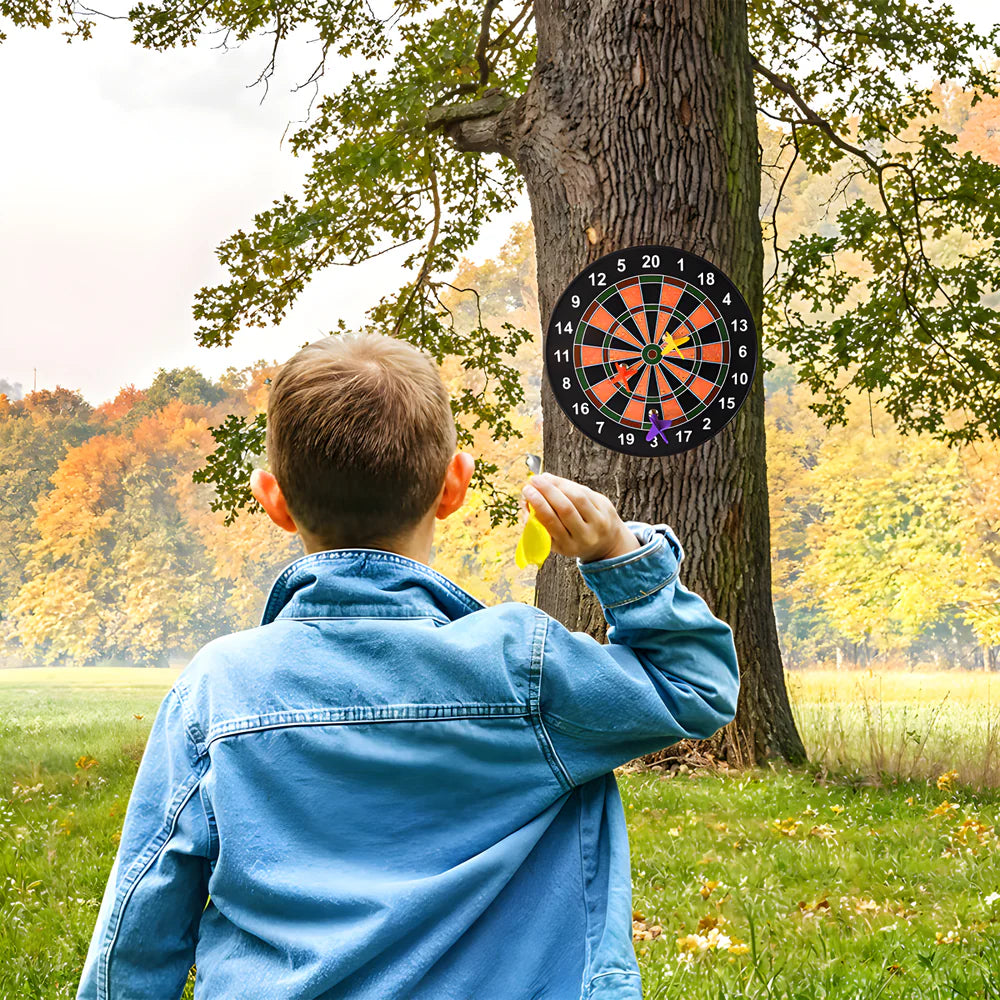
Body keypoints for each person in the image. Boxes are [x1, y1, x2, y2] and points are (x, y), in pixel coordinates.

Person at [76, 332, 739, 1000]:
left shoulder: (219, 688)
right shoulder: (524, 667)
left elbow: (142, 916)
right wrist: (618, 553)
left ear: (273, 500)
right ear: (455, 486)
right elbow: (695, 685)